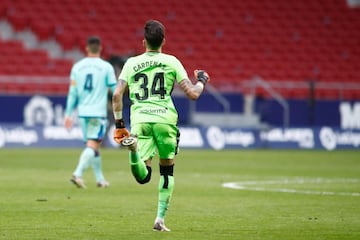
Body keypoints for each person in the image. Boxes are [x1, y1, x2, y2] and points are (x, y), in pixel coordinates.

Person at [112, 19, 210, 231]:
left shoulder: (131, 63)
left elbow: (117, 94)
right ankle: (160, 219)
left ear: (143, 42)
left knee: (143, 177)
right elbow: (193, 94)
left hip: (141, 120)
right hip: (165, 120)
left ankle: (133, 150)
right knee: (167, 171)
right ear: (163, 41)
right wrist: (202, 80)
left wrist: (120, 124)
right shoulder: (172, 61)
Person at [64, 36, 117, 189]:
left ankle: (100, 179)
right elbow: (115, 90)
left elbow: (72, 93)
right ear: (100, 48)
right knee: (93, 145)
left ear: (87, 48)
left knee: (93, 146)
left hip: (82, 113)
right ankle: (77, 174)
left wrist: (68, 114)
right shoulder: (106, 67)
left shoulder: (77, 67)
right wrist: (118, 105)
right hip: (98, 112)